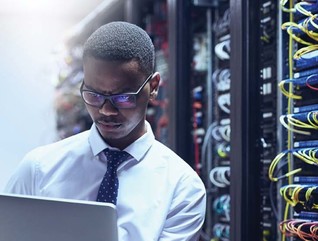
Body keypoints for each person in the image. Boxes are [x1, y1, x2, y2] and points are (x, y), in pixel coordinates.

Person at [4, 21, 206, 241]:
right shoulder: (38, 169)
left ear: (154, 87)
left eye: (123, 97)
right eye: (94, 95)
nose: (106, 110)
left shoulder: (182, 188)